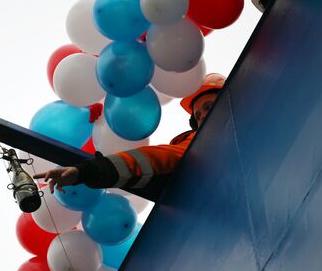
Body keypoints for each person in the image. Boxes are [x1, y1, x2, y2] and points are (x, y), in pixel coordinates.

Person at [34, 73, 226, 193]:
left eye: (208, 106)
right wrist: (83, 172)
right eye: (198, 115)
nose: (201, 117)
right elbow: (151, 159)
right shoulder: (197, 145)